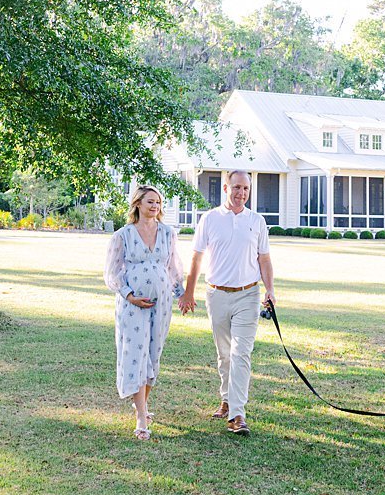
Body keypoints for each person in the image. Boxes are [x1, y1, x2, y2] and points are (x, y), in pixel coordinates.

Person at [179, 169, 275, 437]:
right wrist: (189, 293)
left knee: (241, 353)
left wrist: (270, 290)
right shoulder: (209, 219)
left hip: (248, 295)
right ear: (225, 188)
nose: (241, 193)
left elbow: (264, 259)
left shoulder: (257, 221)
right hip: (217, 294)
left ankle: (237, 414)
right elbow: (196, 258)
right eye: (236, 188)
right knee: (224, 354)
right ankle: (226, 399)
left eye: (245, 188)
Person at [103, 184, 182, 439]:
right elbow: (112, 272)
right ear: (137, 203)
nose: (155, 206)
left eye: (158, 202)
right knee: (135, 354)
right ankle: (141, 417)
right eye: (150, 201)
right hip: (132, 305)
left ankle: (143, 406)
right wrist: (130, 295)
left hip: (161, 304)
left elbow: (174, 267)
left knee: (153, 354)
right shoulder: (123, 235)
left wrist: (183, 295)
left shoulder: (168, 233)